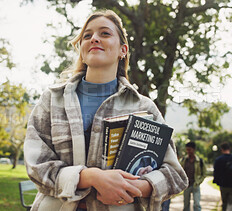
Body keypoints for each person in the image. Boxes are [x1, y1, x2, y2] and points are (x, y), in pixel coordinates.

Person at [23, 10, 188, 211]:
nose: (94, 39)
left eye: (105, 33)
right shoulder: (51, 101)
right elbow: (36, 166)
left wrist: (134, 187)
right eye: (87, 35)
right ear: (81, 49)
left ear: (123, 50)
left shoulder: (144, 108)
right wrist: (91, 177)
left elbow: (174, 175)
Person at [213, 142, 232, 211]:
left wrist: (217, 182)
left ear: (221, 149)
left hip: (223, 184)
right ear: (230, 149)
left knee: (224, 203)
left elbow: (216, 173)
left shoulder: (218, 160)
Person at [179, 142, 206, 211]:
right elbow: (179, 171)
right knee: (186, 204)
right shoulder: (183, 160)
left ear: (194, 149)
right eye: (187, 150)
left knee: (197, 204)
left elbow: (204, 174)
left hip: (195, 185)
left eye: (189, 149)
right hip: (186, 185)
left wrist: (199, 182)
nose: (188, 151)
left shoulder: (199, 161)